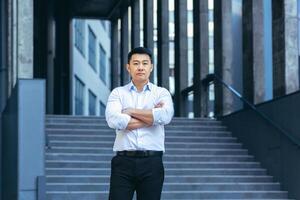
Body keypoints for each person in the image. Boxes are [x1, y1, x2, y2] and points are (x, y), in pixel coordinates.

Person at [105, 47, 174, 200]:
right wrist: (151, 117)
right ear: (128, 67)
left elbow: (165, 116)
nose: (140, 67)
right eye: (136, 63)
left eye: (145, 63)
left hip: (152, 162)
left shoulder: (161, 93)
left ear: (151, 67)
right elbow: (113, 120)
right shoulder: (118, 93)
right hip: (123, 163)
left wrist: (129, 111)